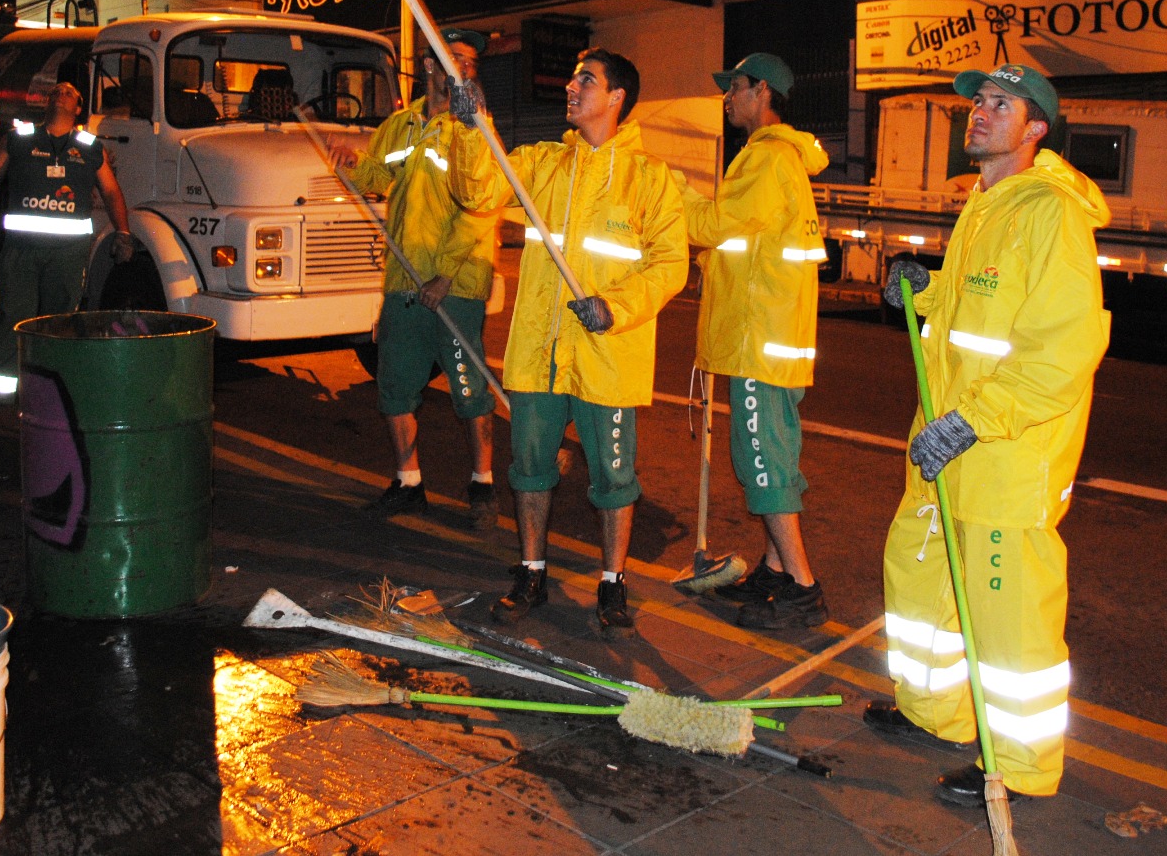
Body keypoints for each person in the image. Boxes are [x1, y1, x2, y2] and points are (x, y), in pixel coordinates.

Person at [863, 64, 1111, 807]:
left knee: (1008, 625)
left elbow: (1060, 353)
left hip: (1002, 451)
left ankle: (1018, 765)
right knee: (920, 579)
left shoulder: (1052, 213)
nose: (979, 110)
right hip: (947, 441)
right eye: (977, 100)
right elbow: (981, 308)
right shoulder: (986, 202)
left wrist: (971, 422)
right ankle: (935, 713)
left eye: (1001, 103)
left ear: (1035, 128)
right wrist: (924, 285)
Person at [449, 48, 687, 639]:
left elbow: (671, 264)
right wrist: (471, 129)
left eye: (588, 79)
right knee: (529, 470)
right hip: (539, 351)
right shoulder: (542, 163)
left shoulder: (651, 178)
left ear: (616, 99)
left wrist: (616, 305)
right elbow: (478, 189)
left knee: (613, 477)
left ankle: (613, 580)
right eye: (574, 75)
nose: (573, 87)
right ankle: (531, 571)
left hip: (607, 355)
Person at [680, 53, 832, 630]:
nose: (727, 97)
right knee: (778, 456)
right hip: (775, 337)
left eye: (734, 88)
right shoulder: (783, 160)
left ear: (761, 90)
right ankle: (773, 568)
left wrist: (671, 192)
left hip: (756, 339)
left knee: (762, 463)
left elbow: (715, 225)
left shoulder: (766, 160)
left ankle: (801, 586)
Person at [327, 28, 502, 528]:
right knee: (395, 388)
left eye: (471, 64)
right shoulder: (399, 126)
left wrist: (445, 273)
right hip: (404, 282)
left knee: (471, 393)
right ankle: (408, 483)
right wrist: (353, 166)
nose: (464, 71)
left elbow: (483, 207)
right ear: (430, 66)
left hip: (458, 284)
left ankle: (483, 485)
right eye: (456, 60)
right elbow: (380, 180)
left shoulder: (476, 130)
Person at [0, 80, 133, 396]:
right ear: (47, 102)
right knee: (10, 320)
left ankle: (48, 394)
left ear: (78, 108)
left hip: (67, 255)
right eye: (57, 91)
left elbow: (110, 191)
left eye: (71, 92)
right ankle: (3, 396)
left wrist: (123, 233)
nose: (63, 93)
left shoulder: (89, 147)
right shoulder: (19, 139)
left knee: (58, 325)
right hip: (20, 251)